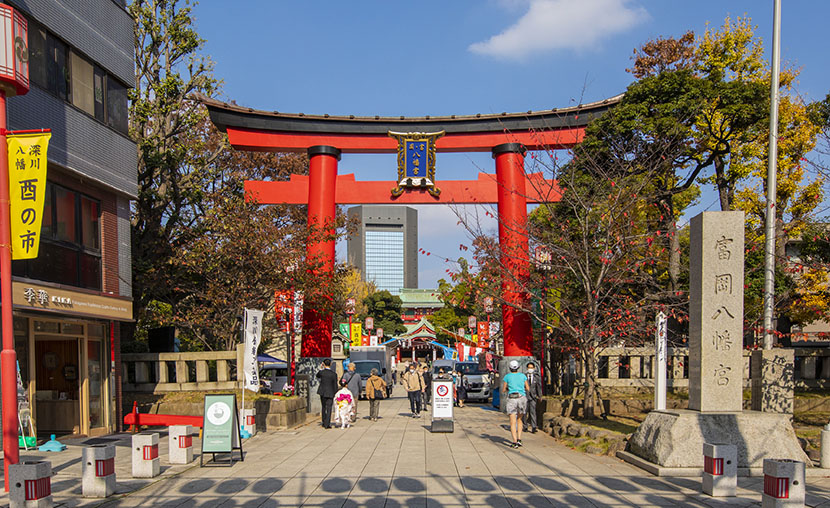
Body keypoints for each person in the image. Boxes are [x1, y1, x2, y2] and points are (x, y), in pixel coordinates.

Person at [502, 359, 530, 448]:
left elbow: (503, 389)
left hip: (512, 399)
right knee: (520, 419)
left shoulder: (507, 377)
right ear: (518, 368)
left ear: (509, 368)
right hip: (521, 398)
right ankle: (519, 439)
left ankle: (514, 441)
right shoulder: (523, 376)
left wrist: (509, 389)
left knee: (512, 422)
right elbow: (528, 388)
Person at [316, 359, 338, 429]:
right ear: (331, 364)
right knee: (329, 408)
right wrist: (335, 392)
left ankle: (323, 421)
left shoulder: (322, 373)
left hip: (322, 392)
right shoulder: (334, 374)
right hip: (330, 392)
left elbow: (317, 375)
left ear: (324, 364)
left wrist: (321, 368)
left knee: (323, 407)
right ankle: (327, 423)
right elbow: (335, 385)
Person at [523, 361, 543, 433]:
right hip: (525, 396)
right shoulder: (524, 376)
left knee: (533, 411)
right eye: (529, 367)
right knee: (524, 412)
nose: (530, 369)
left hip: (533, 396)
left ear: (534, 368)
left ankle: (534, 426)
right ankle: (525, 426)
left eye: (531, 368)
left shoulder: (536, 377)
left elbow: (539, 387)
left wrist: (540, 395)